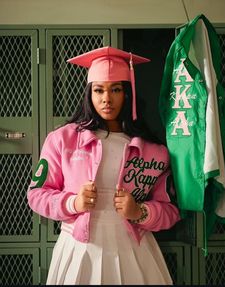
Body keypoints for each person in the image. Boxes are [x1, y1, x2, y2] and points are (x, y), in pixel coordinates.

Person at [27, 46, 181, 285]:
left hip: (135, 251)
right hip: (79, 250)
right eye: (98, 90)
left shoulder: (155, 151)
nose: (106, 99)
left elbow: (171, 211)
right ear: (89, 94)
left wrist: (140, 212)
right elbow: (36, 194)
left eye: (115, 90)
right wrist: (72, 202)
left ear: (127, 93)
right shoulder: (62, 139)